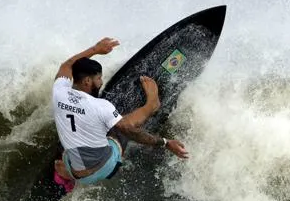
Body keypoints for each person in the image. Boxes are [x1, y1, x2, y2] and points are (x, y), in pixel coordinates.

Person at [51, 37, 188, 191]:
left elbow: (67, 65)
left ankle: (64, 174)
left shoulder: (59, 92)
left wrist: (95, 49)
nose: (101, 82)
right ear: (87, 82)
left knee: (69, 135)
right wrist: (166, 142)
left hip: (74, 169)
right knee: (118, 130)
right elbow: (129, 128)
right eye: (98, 78)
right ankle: (152, 105)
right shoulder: (101, 106)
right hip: (103, 168)